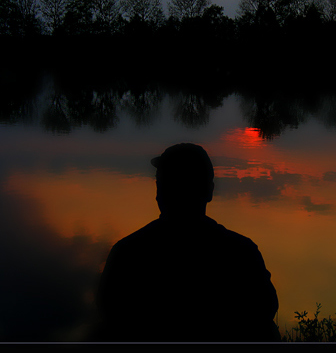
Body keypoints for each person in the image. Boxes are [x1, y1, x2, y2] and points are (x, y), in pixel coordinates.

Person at [95, 143, 279, 342]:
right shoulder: (242, 252)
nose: (160, 190)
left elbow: (110, 316)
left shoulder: (128, 252)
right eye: (163, 182)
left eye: (165, 182)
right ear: (210, 192)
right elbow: (264, 314)